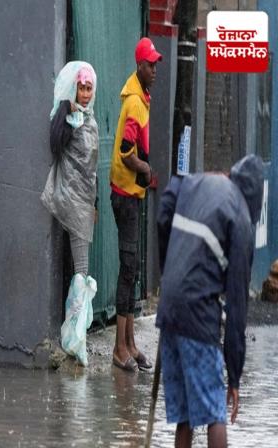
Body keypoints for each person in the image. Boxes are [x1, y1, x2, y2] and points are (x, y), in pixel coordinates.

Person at [156, 155, 264, 448]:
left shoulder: (196, 182)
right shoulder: (241, 219)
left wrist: (169, 272)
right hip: (197, 315)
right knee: (215, 410)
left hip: (168, 309)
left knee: (186, 415)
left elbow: (165, 208)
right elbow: (237, 308)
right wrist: (234, 377)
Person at [41, 61, 99, 366]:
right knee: (81, 271)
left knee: (80, 271)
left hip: (83, 203)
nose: (86, 94)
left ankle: (76, 336)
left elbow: (91, 169)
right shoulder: (66, 113)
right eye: (82, 88)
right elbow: (54, 144)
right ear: (73, 88)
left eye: (90, 88)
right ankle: (76, 340)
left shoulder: (90, 121)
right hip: (67, 199)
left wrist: (95, 204)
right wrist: (69, 117)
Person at [109, 37, 160, 372]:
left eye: (155, 64)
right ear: (138, 65)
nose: (154, 69)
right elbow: (127, 153)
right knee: (128, 269)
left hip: (132, 195)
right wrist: (146, 169)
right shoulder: (135, 105)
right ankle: (119, 348)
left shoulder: (140, 97)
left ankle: (130, 343)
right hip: (125, 195)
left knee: (133, 268)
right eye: (150, 64)